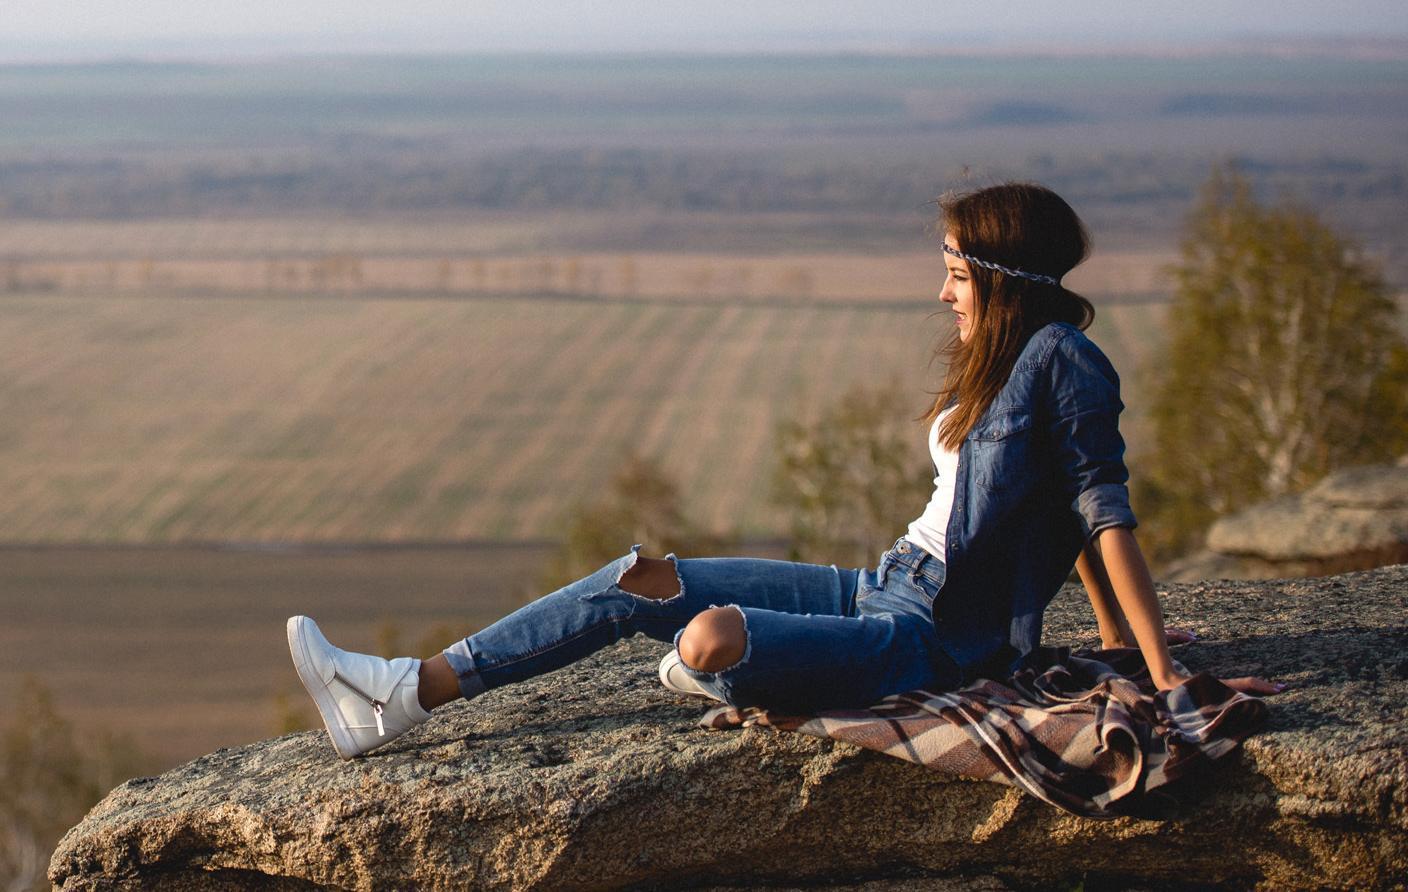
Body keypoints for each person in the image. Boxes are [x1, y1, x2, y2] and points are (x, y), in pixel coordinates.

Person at [287, 181, 1280, 759]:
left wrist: (1154, 674)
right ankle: (402, 692)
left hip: (929, 638)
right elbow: (1066, 516)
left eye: (956, 273)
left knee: (712, 637)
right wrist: (1112, 639)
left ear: (1005, 281)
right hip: (881, 585)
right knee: (643, 578)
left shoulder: (1066, 362)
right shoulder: (1011, 361)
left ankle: (705, 669)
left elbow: (1103, 516)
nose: (942, 292)